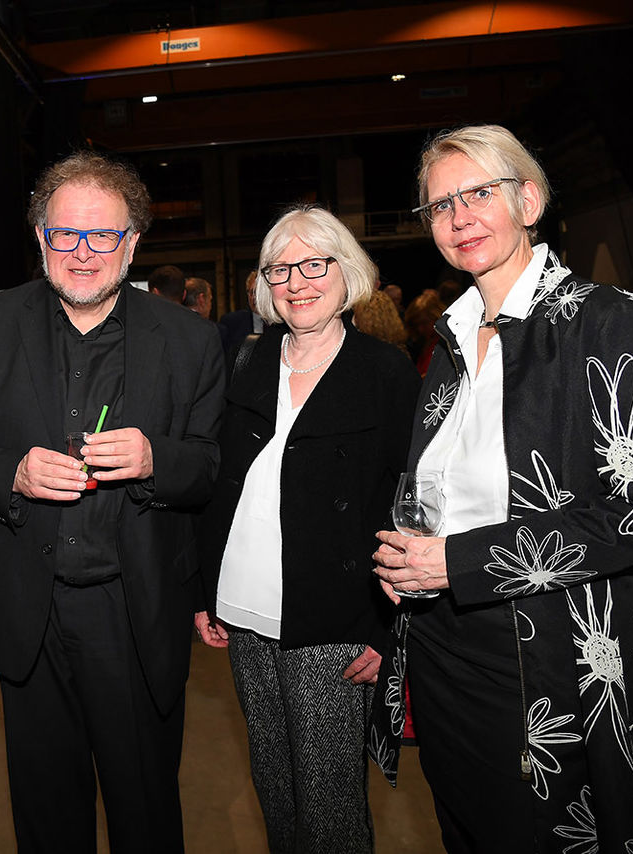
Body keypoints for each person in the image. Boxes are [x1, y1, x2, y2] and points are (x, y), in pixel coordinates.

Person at [369, 125, 633, 852]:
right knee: (466, 827)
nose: (459, 216)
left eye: (480, 192)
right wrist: (409, 550)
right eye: (440, 205)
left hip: (548, 649)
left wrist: (462, 560)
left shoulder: (616, 323)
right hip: (440, 643)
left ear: (530, 200)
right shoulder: (452, 340)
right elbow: (444, 488)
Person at [0, 151, 224, 852]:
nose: (84, 254)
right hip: (26, 609)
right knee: (46, 813)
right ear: (39, 238)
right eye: (66, 235)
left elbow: (210, 466)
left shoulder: (188, 339)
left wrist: (156, 459)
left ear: (134, 242)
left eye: (104, 236)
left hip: (136, 610)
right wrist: (12, 473)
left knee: (145, 809)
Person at [195, 205, 419, 853]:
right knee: (275, 789)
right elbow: (222, 487)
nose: (297, 282)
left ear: (346, 272)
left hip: (334, 623)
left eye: (314, 264)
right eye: (280, 268)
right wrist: (205, 593)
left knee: (330, 809)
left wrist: (386, 626)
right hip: (242, 614)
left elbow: (403, 505)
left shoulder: (385, 372)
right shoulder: (248, 361)